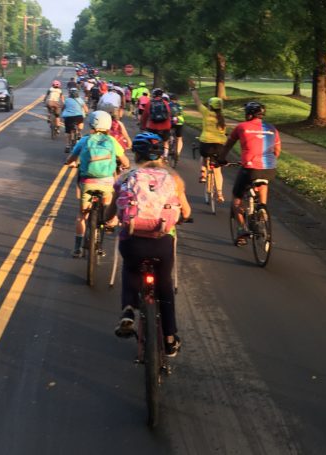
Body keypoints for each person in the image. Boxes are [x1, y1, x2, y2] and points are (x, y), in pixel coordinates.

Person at [113, 132, 191, 357]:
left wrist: (107, 219)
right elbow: (186, 211)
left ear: (136, 155)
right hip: (162, 242)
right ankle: (169, 339)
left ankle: (128, 309)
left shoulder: (126, 177)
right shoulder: (173, 179)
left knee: (130, 268)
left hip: (133, 241)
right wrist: (182, 217)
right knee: (164, 285)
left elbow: (114, 210)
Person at [65, 110, 130, 257]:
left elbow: (72, 157)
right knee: (106, 210)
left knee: (82, 215)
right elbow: (125, 160)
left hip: (87, 182)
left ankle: (77, 248)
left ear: (91, 124)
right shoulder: (112, 141)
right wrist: (126, 166)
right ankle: (101, 237)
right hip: (107, 183)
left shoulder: (85, 140)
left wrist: (68, 162)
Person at [221, 101, 281, 245]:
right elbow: (277, 151)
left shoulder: (242, 127)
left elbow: (228, 145)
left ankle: (242, 229)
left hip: (250, 168)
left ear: (248, 114)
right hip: (270, 168)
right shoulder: (272, 128)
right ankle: (262, 211)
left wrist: (221, 159)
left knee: (237, 199)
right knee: (263, 183)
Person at [188, 83, 227, 201]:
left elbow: (197, 101)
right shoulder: (222, 117)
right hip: (219, 146)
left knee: (204, 155)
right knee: (218, 170)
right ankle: (220, 194)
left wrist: (193, 89)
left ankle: (203, 173)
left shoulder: (206, 113)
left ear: (210, 106)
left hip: (206, 144)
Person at [140, 88, 172, 158]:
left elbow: (144, 116)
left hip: (153, 127)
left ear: (153, 95)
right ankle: (165, 156)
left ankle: (150, 153)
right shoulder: (166, 103)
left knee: (151, 140)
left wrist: (143, 126)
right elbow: (169, 114)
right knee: (165, 141)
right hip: (165, 127)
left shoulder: (149, 103)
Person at [60, 87, 88, 152]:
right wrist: (86, 113)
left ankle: (67, 145)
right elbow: (86, 109)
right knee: (81, 122)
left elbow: (63, 108)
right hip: (78, 117)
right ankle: (79, 132)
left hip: (68, 117)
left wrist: (62, 111)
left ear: (70, 93)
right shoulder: (80, 100)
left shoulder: (67, 100)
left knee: (67, 131)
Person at [169, 93, 185, 161]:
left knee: (169, 133)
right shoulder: (180, 106)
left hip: (171, 121)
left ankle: (171, 140)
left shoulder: (168, 105)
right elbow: (181, 113)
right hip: (179, 122)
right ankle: (178, 153)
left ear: (170, 99)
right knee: (179, 138)